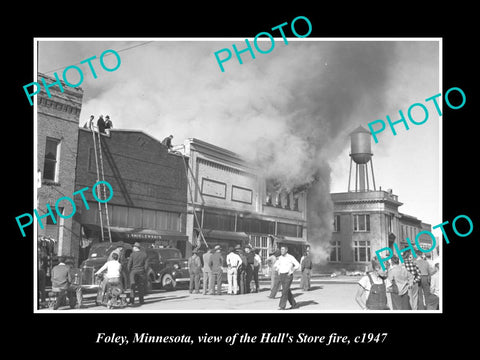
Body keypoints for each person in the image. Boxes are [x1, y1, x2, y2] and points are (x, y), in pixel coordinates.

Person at [274, 245, 300, 310]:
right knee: (287, 290)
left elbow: (297, 265)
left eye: (283, 249)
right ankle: (294, 304)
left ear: (286, 250)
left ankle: (282, 306)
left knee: (284, 291)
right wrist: (278, 269)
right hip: (282, 276)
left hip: (288, 276)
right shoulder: (279, 258)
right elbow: (276, 265)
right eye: (281, 249)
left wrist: (292, 270)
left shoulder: (290, 257)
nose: (281, 251)